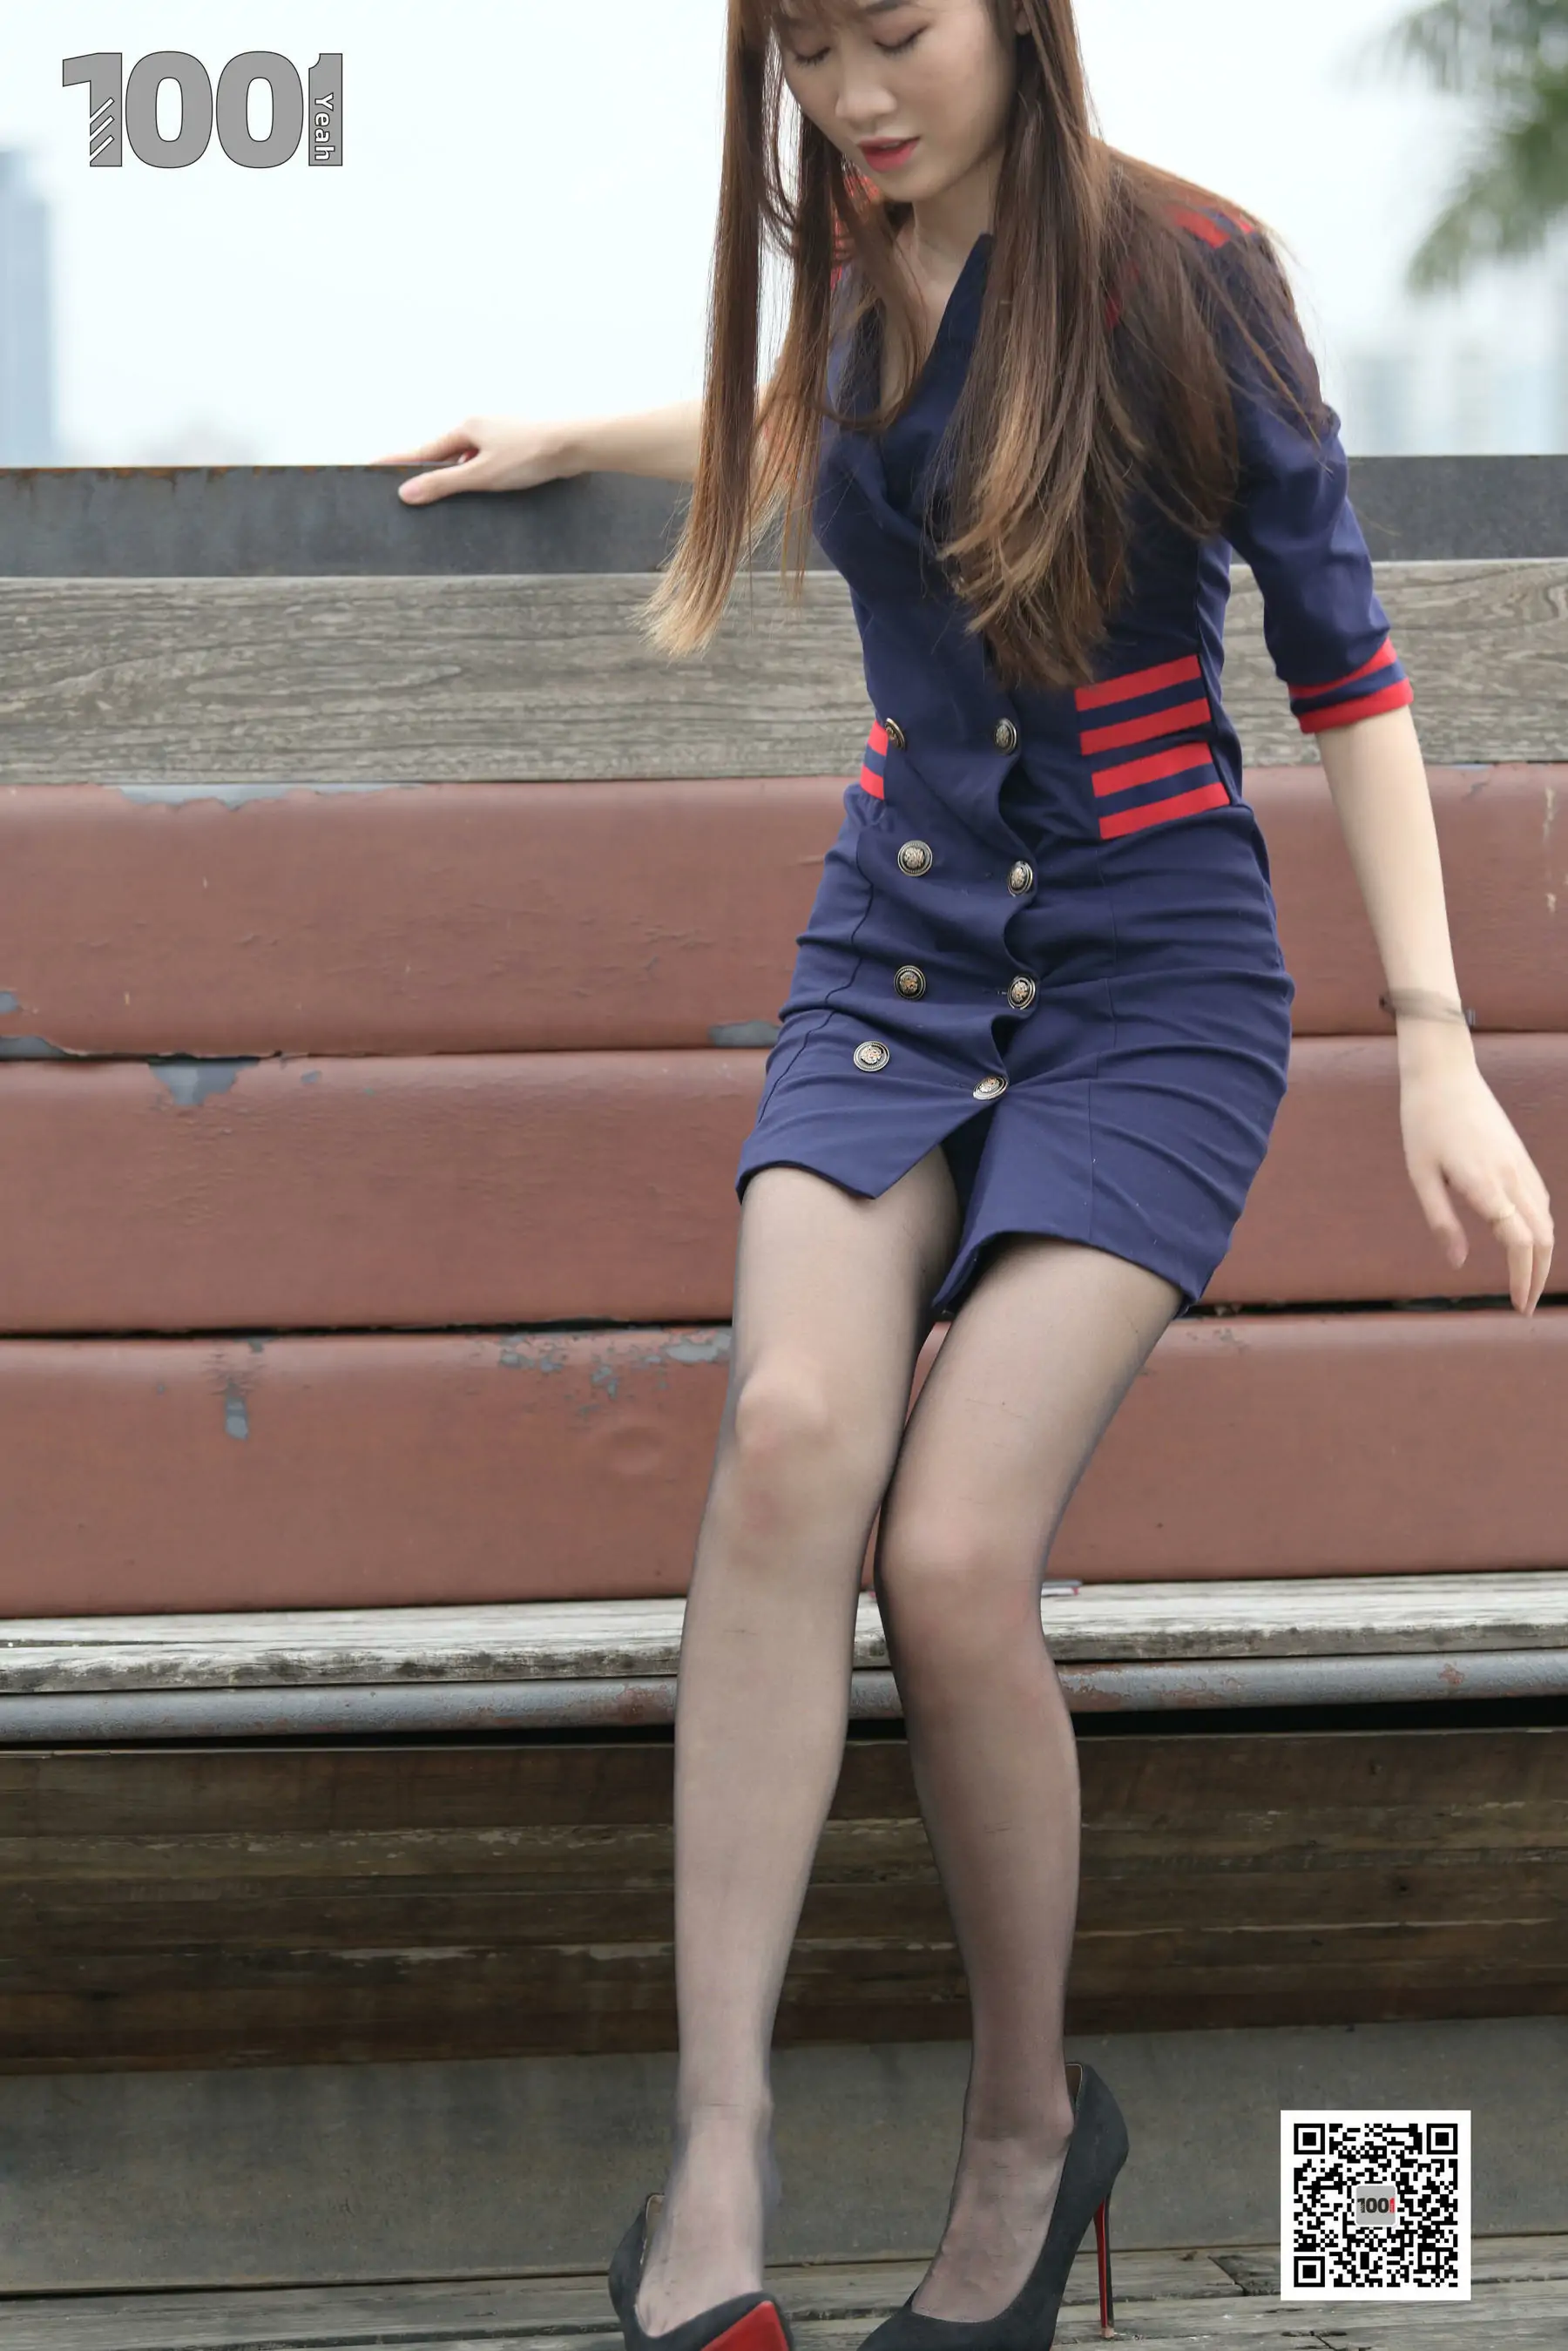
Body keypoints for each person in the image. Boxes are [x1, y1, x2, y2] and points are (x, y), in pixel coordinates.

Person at [377, 3, 1556, 2347]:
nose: (853, 100)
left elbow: (1346, 664)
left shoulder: (1191, 272)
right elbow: (836, 410)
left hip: (1154, 989)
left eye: (895, 34)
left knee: (946, 1550)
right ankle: (719, 2170)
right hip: (894, 949)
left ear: (1020, 11)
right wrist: (586, 434)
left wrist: (1438, 1052)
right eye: (805, 54)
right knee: (794, 1438)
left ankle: (1028, 2133)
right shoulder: (860, 244)